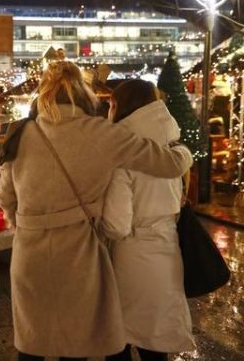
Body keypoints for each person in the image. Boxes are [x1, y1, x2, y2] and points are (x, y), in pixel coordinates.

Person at [0, 61, 193, 360]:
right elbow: (170, 165)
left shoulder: (21, 134)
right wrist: (182, 149)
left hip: (29, 252)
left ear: (44, 94)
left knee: (32, 342)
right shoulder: (102, 133)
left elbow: (6, 198)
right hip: (79, 251)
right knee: (76, 343)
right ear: (84, 93)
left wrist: (24, 225)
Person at [101, 79, 195, 361]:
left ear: (123, 108)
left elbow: (117, 224)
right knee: (156, 341)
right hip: (168, 250)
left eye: (111, 105)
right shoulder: (173, 149)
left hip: (133, 256)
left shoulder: (124, 155)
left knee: (120, 337)